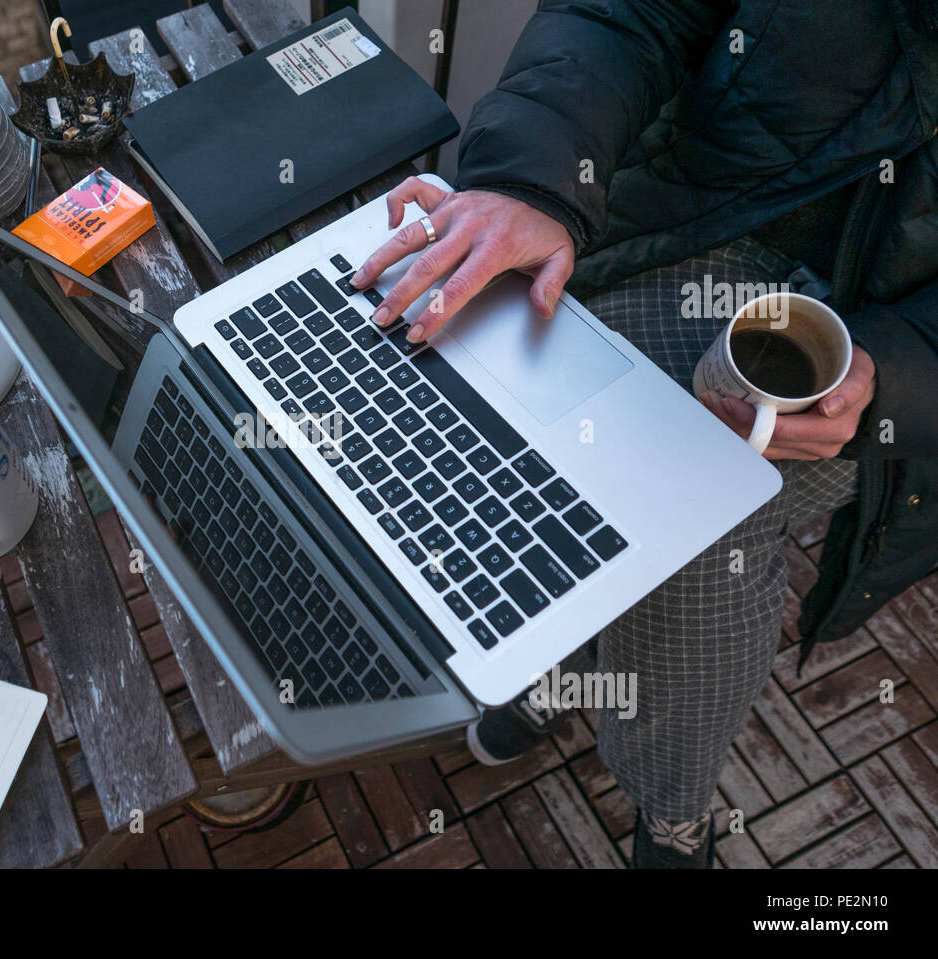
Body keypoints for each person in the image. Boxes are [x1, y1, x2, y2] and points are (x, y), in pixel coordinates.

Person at [350, 0, 938, 867]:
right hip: (677, 219)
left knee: (699, 516)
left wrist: (893, 370)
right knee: (518, 388)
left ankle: (672, 808)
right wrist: (533, 180)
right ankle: (574, 650)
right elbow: (631, 10)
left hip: (880, 341)